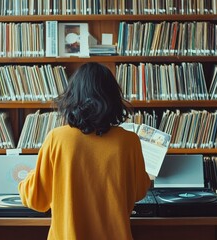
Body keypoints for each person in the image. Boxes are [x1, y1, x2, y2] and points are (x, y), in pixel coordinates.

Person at [18, 62, 151, 240]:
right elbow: (139, 191)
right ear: (112, 99)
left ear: (72, 97)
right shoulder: (129, 141)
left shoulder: (56, 138)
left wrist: (28, 178)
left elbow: (36, 199)